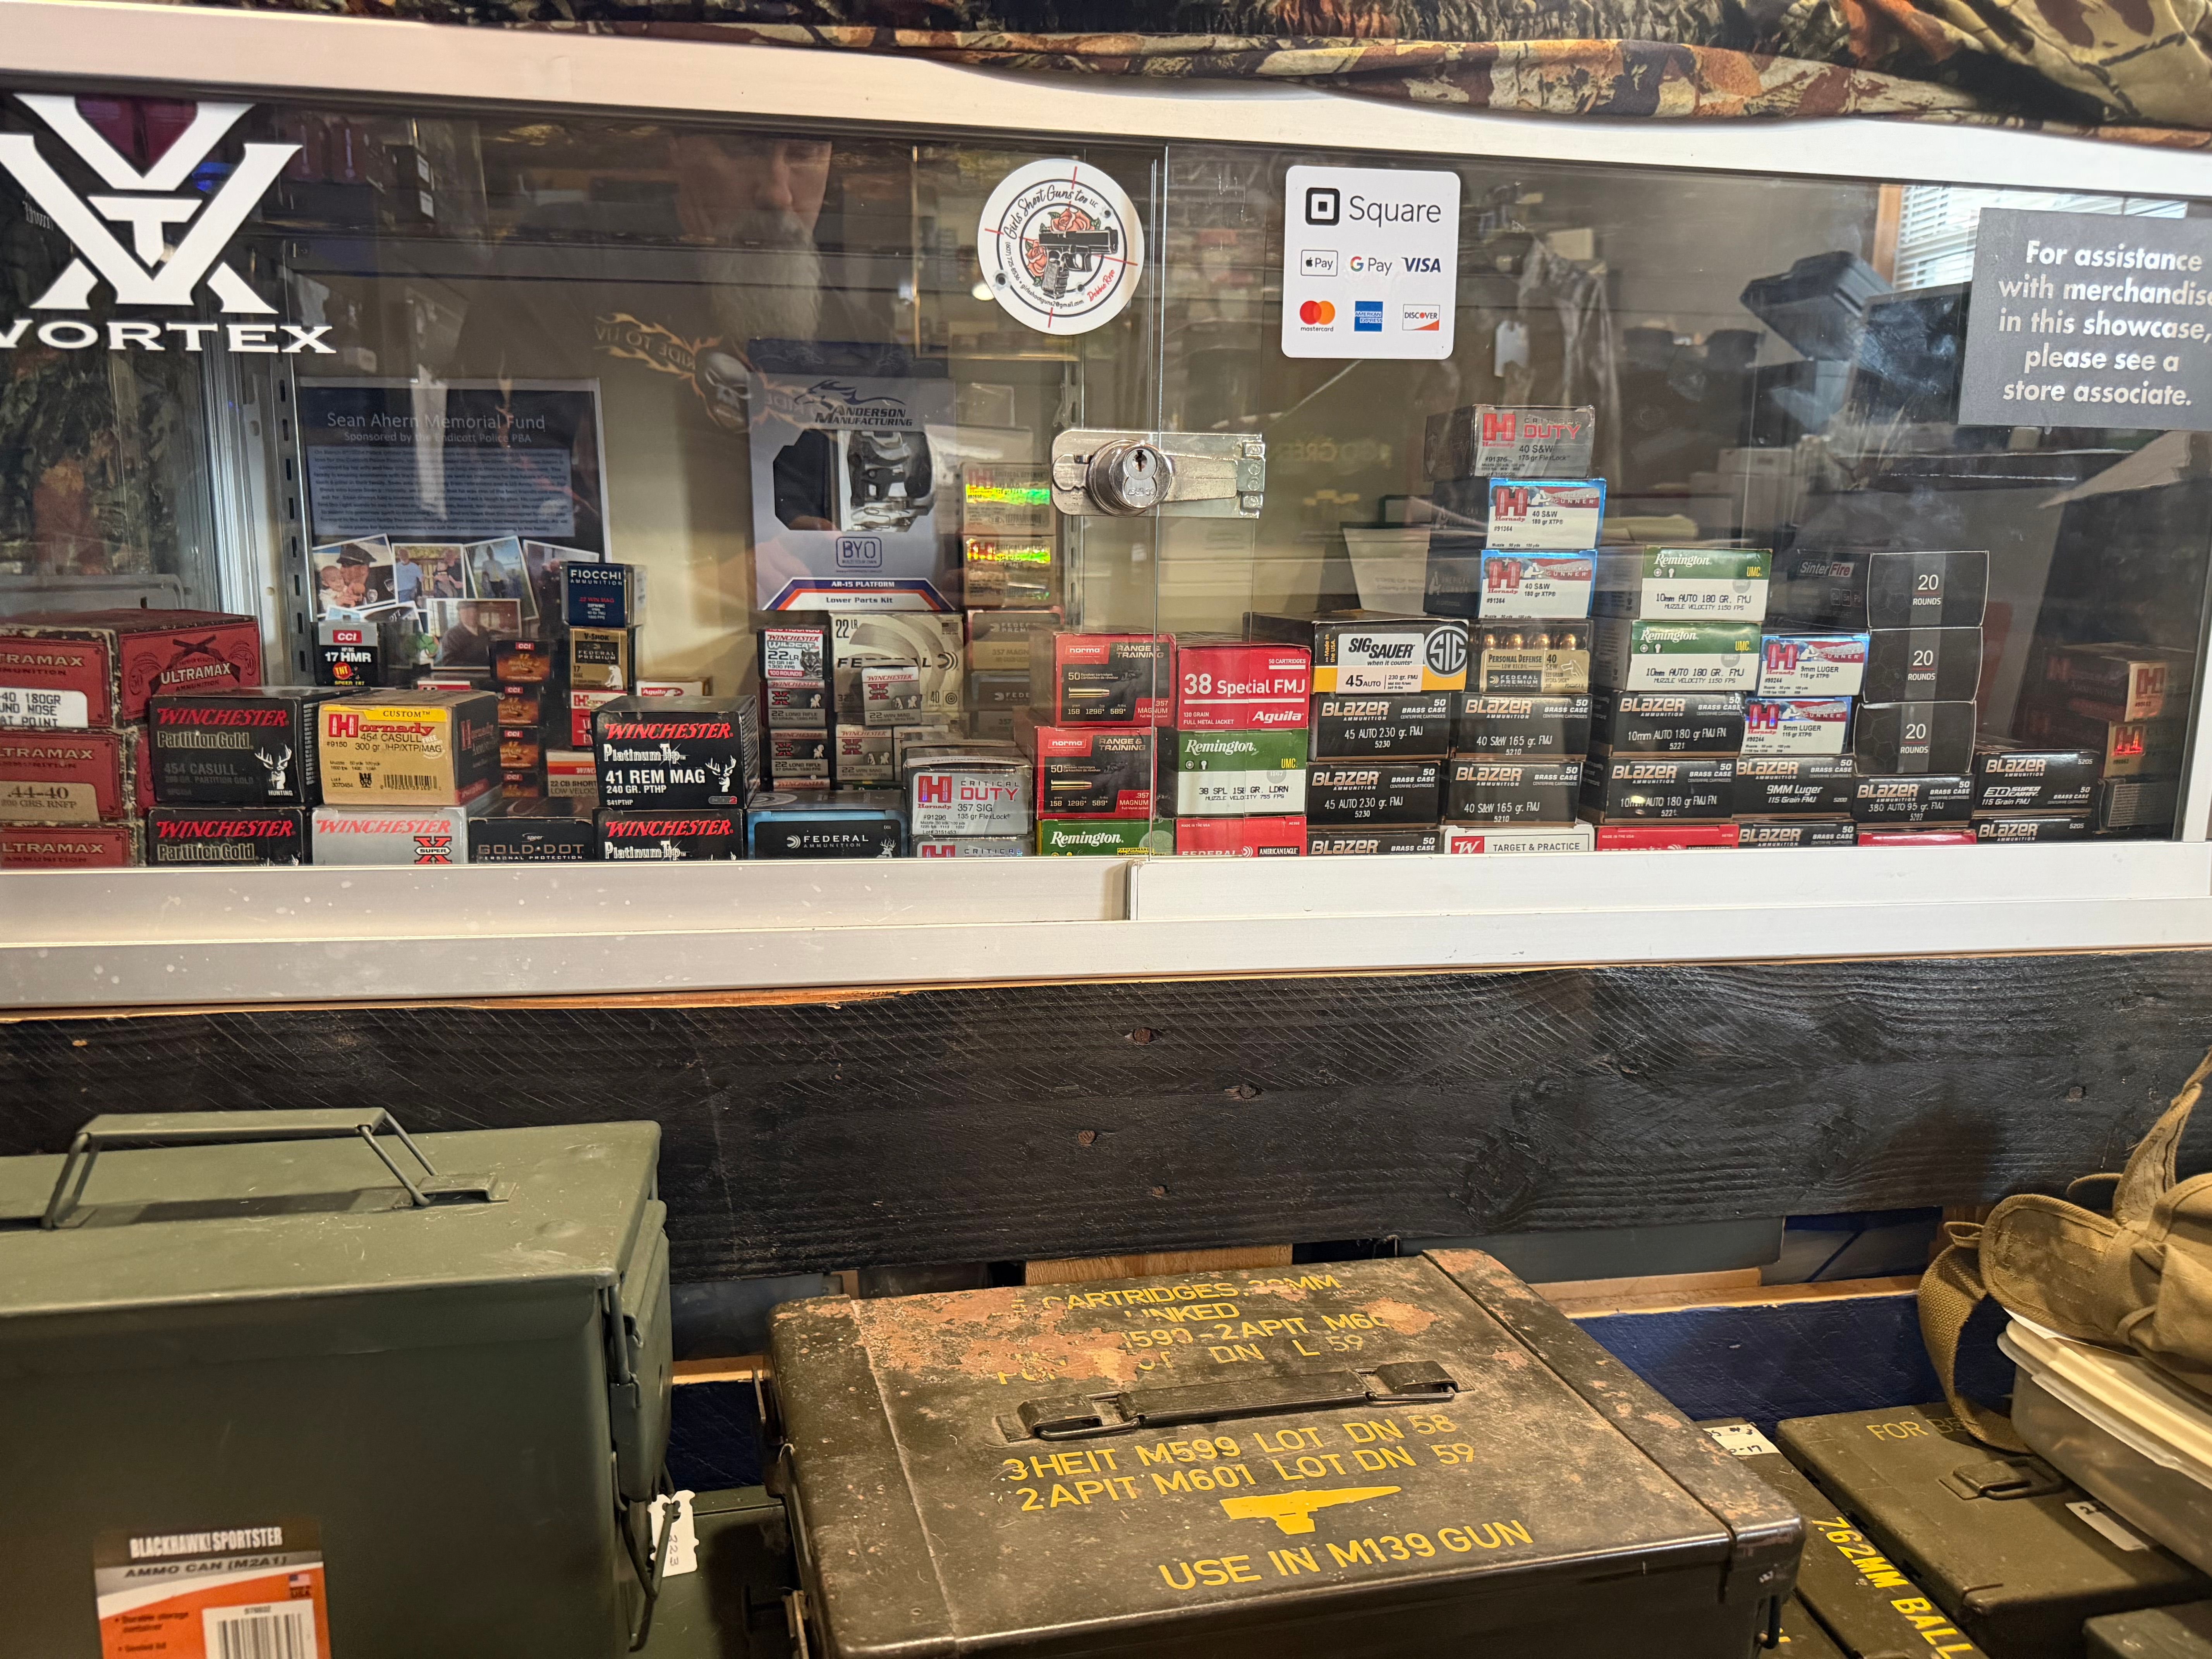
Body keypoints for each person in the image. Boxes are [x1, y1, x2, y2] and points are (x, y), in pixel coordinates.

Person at [439, 601, 493, 666]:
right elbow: (449, 663)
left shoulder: (485, 632)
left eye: (474, 611)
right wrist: (480, 667)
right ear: (460, 615)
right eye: (467, 612)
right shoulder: (451, 636)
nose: (472, 615)